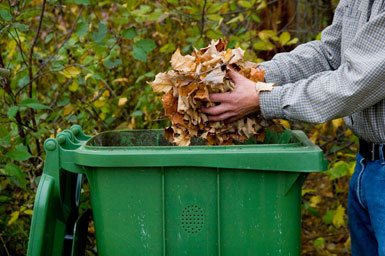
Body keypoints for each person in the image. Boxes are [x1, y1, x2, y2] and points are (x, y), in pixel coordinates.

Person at [202, 0, 385, 255]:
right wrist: (255, 75)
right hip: (368, 164)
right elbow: (329, 55)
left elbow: (353, 82)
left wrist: (261, 98)